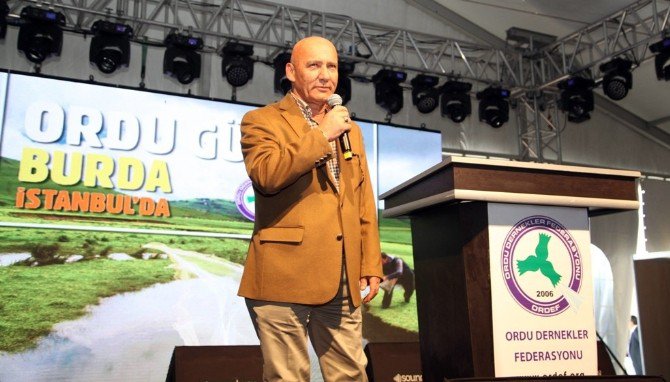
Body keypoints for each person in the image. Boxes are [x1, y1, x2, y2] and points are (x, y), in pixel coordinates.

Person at [237, 36, 384, 382]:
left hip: (342, 280)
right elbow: (267, 175)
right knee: (288, 377)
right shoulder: (261, 121)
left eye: (331, 66)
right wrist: (321, 134)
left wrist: (369, 262)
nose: (325, 75)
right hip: (281, 277)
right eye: (313, 65)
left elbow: (361, 198)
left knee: (351, 374)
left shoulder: (352, 130)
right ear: (290, 71)